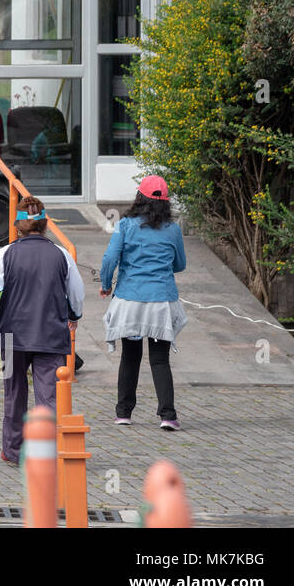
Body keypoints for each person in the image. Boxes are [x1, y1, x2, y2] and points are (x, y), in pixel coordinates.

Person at [0, 196, 85, 464]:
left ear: (17, 226)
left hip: (14, 337)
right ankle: (46, 451)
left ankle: (12, 451)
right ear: (45, 225)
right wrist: (73, 315)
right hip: (50, 335)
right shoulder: (61, 255)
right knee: (48, 398)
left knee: (14, 394)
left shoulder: (5, 254)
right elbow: (76, 294)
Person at [100, 176, 188, 431]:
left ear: (140, 198)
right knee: (160, 360)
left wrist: (106, 285)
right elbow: (180, 264)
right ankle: (168, 416)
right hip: (162, 301)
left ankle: (123, 413)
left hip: (130, 299)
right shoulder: (173, 229)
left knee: (130, 357)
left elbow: (109, 259)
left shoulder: (125, 225)